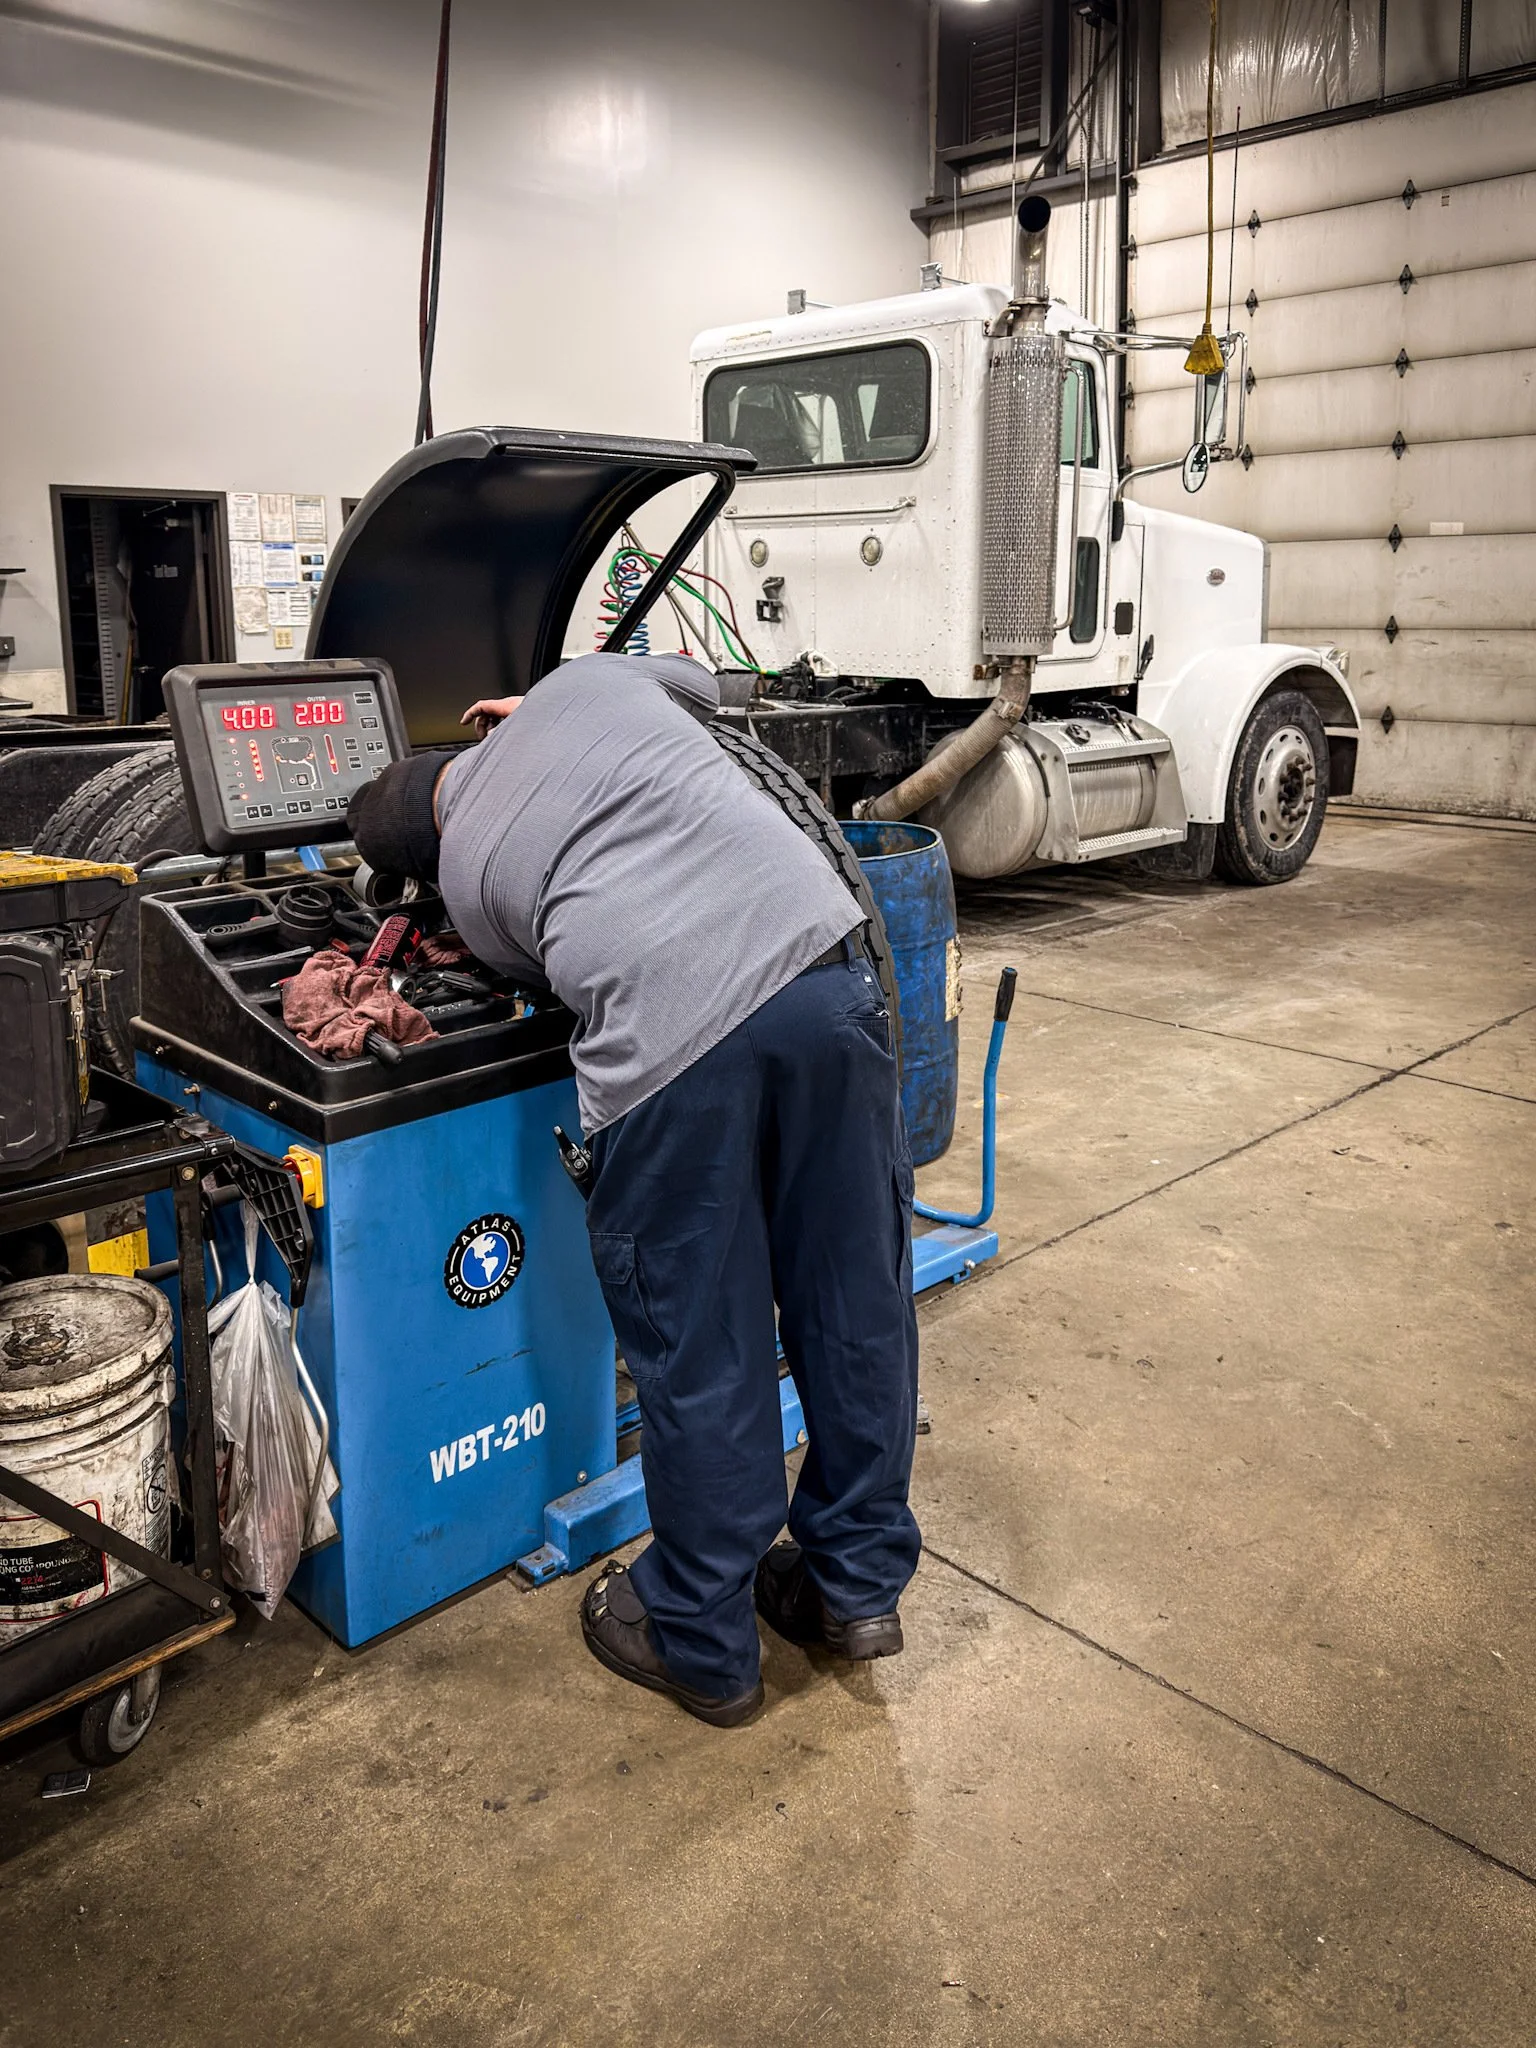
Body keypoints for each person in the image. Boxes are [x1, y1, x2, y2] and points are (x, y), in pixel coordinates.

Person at [347, 650, 920, 1727]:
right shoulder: (589, 683)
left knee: (702, 1339)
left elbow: (547, 972)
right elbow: (705, 682)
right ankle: (853, 1591)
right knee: (856, 1305)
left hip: (673, 1053)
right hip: (826, 969)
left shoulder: (466, 881)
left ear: (420, 852)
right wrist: (546, 707)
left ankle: (700, 1634)